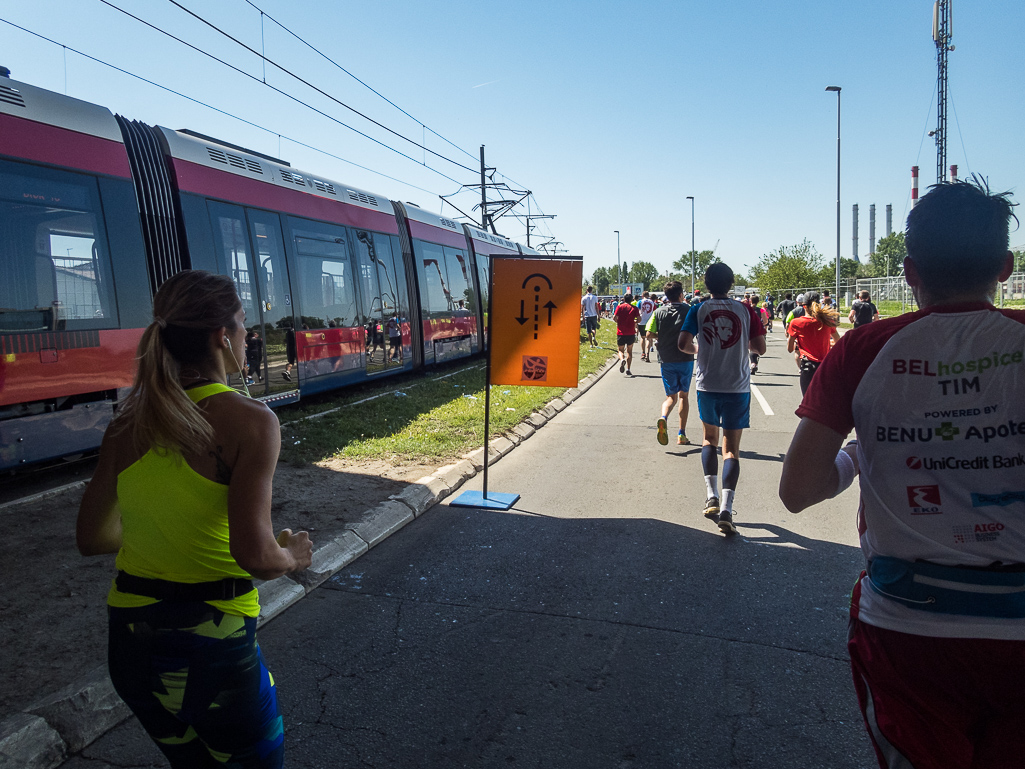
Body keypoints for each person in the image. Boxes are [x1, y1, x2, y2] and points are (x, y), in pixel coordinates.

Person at [779, 180, 1024, 769]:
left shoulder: (863, 349)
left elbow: (798, 491)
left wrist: (858, 456)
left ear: (910, 272)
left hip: (910, 629)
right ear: (1006, 266)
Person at [76, 270, 313, 769]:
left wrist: (162, 529)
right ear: (221, 337)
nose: (249, 338)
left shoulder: (127, 422)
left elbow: (93, 536)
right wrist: (291, 556)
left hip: (131, 646)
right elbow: (255, 556)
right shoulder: (250, 420)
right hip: (212, 650)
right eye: (245, 326)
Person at [679, 263, 766, 535]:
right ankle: (727, 509)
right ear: (732, 283)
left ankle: (711, 497)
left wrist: (700, 349)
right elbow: (759, 347)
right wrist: (742, 345)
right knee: (732, 450)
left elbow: (682, 343)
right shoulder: (746, 309)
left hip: (707, 384)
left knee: (709, 440)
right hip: (737, 386)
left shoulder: (698, 308)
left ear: (706, 284)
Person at [646, 281, 694, 446]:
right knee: (684, 396)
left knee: (670, 397)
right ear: (681, 295)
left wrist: (662, 336)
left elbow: (648, 334)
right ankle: (681, 434)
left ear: (667, 296)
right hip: (685, 358)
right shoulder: (689, 310)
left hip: (666, 359)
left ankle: (663, 417)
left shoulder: (658, 312)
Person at [786, 291, 840, 395]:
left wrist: (799, 343)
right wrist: (828, 343)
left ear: (804, 306)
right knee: (824, 399)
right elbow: (838, 341)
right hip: (825, 366)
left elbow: (790, 349)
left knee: (807, 401)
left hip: (808, 366)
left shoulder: (796, 323)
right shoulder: (827, 321)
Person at [613, 293, 640, 375]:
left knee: (620, 350)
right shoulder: (634, 308)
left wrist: (618, 322)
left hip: (621, 332)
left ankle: (622, 360)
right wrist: (635, 321)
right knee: (629, 351)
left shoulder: (620, 307)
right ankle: (628, 369)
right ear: (632, 300)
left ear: (624, 299)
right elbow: (639, 319)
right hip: (631, 332)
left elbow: (614, 318)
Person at [749, 295, 768, 374]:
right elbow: (765, 321)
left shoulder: (748, 309)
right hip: (759, 330)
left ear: (750, 300)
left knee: (752, 348)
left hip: (749, 330)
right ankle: (754, 363)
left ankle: (753, 363)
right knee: (757, 349)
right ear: (758, 301)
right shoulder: (761, 310)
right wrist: (760, 324)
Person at [637, 291, 657, 362]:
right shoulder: (652, 302)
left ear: (642, 295)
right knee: (648, 338)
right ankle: (648, 354)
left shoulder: (640, 302)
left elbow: (637, 310)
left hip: (642, 321)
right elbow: (654, 310)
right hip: (650, 321)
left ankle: (643, 353)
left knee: (642, 338)